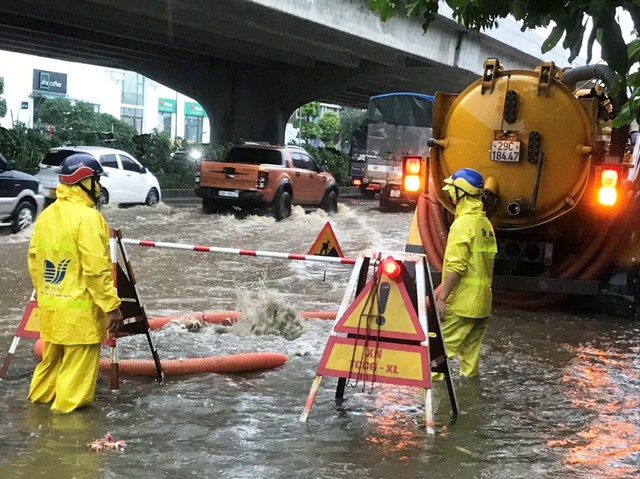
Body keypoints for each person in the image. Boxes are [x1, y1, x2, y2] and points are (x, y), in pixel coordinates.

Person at [27, 153, 123, 413]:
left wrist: (49, 294)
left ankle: (34, 419)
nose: (100, 187)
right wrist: (111, 307)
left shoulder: (47, 215)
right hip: (80, 318)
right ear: (85, 182)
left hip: (51, 310)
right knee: (73, 392)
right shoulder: (89, 218)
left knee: (49, 370)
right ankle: (66, 439)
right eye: (97, 180)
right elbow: (96, 269)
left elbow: (34, 262)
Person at [435, 168, 497, 378]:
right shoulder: (485, 224)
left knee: (435, 358)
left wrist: (442, 298)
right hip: (482, 306)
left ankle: (430, 406)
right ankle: (468, 402)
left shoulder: (463, 224)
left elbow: (456, 266)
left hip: (462, 305)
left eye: (453, 190)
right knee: (469, 365)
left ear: (461, 192)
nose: (450, 194)